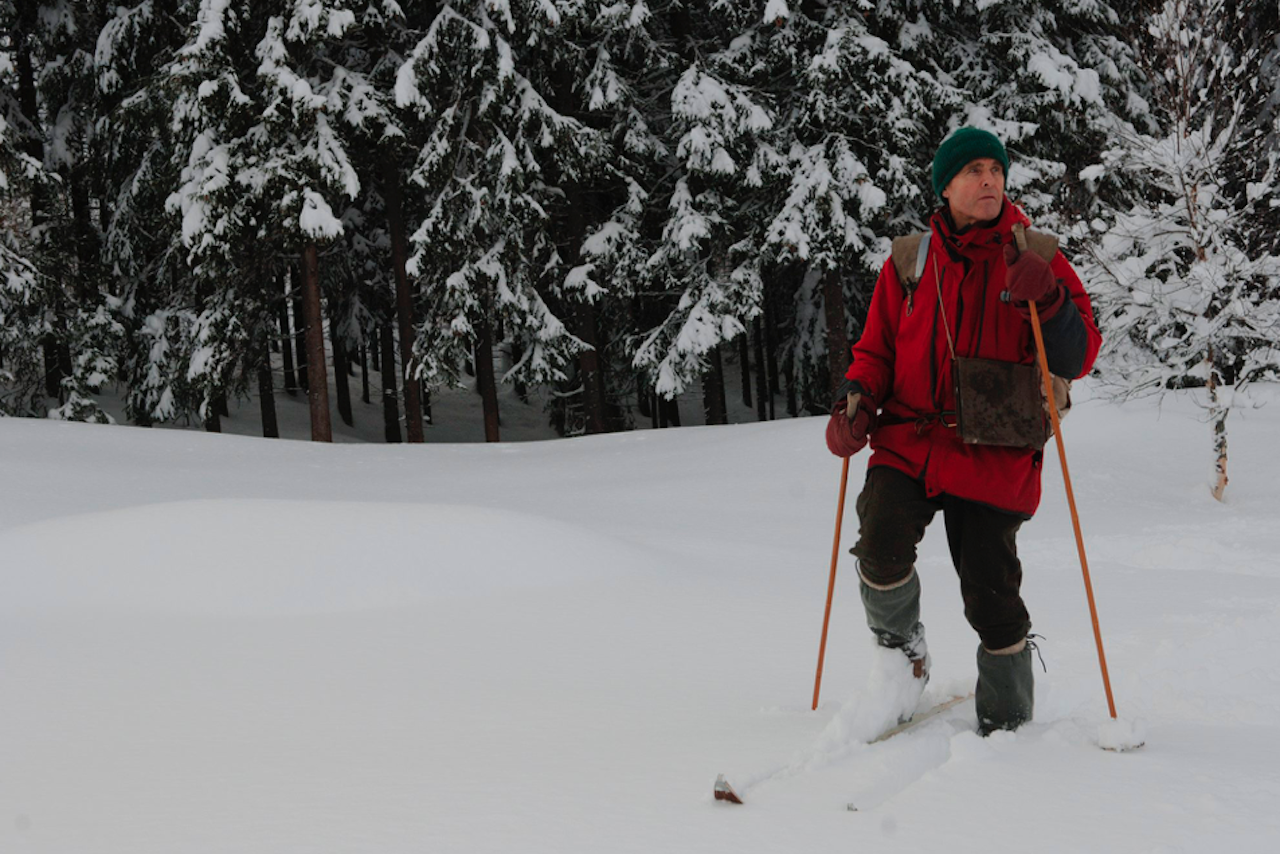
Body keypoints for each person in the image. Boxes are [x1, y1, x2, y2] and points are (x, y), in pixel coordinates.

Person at [824, 127, 1101, 735]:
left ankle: (1008, 729)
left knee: (992, 598)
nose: (989, 181)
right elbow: (875, 349)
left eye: (997, 170)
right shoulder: (908, 261)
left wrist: (1050, 299)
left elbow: (1078, 355)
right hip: (910, 441)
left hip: (996, 450)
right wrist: (858, 398)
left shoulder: (1039, 255)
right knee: (879, 548)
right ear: (945, 185)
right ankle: (903, 657)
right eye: (974, 170)